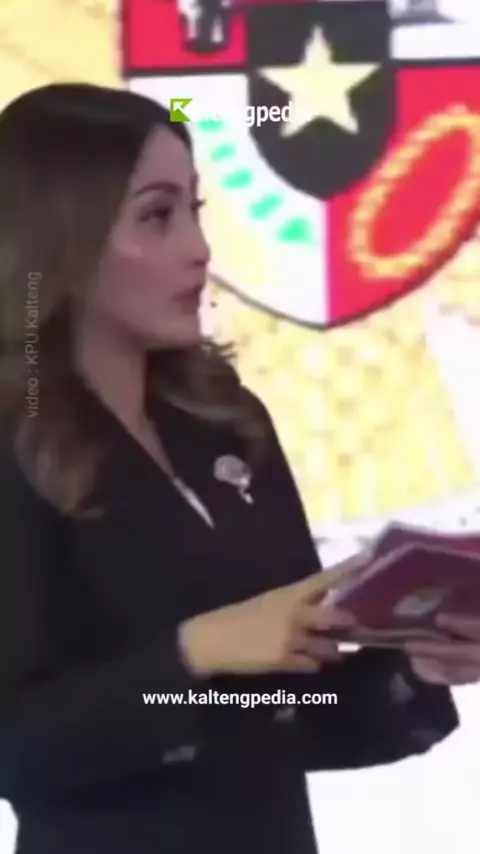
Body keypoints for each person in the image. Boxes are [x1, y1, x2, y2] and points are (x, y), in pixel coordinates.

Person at [0, 83, 479, 854]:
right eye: (157, 215)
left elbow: (283, 716)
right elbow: (19, 749)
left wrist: (417, 668)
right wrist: (193, 653)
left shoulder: (227, 422)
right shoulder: (14, 446)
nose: (199, 248)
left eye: (195, 209)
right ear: (63, 239)